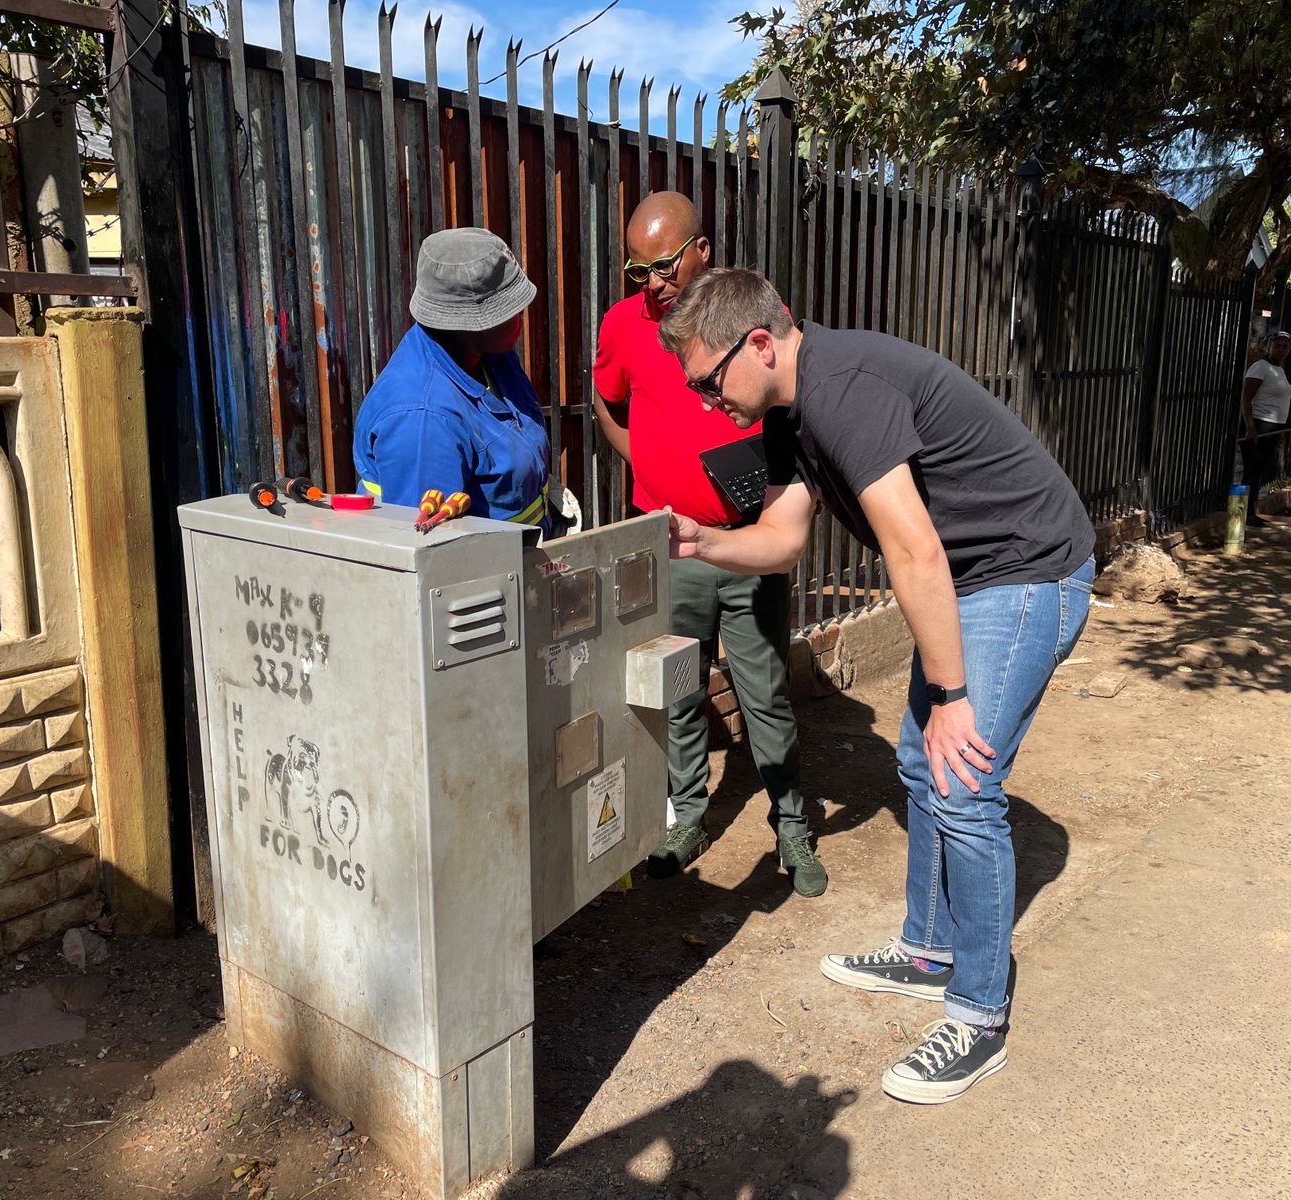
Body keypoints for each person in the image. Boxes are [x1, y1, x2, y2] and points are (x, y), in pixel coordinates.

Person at [657, 268, 1095, 1105]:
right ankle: (930, 951)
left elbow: (914, 551)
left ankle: (978, 1014)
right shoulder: (784, 409)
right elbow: (783, 538)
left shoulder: (845, 388)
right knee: (918, 759)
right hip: (974, 577)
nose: (710, 403)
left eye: (710, 383)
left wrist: (953, 695)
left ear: (759, 344)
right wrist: (704, 545)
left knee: (962, 776)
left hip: (1028, 567)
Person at [592, 193, 823, 896]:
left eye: (664, 264)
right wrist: (640, 455)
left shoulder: (746, 318)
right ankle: (686, 816)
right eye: (637, 269)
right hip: (674, 549)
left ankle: (792, 826)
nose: (653, 283)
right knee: (676, 690)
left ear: (703, 249)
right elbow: (604, 394)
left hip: (749, 544)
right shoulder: (623, 326)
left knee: (764, 691)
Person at [354, 227, 556, 536]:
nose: (520, 316)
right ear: (469, 325)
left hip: (522, 561)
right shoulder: (425, 419)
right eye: (510, 309)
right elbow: (431, 550)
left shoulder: (490, 357)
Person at [1240, 330, 1291, 528]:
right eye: (1278, 345)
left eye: (1285, 346)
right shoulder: (1260, 367)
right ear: (1268, 346)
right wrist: (1250, 427)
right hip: (1258, 425)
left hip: (1273, 427)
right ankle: (1245, 514)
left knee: (1260, 471)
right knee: (1252, 471)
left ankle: (1251, 511)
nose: (1281, 349)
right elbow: (1246, 398)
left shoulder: (1279, 369)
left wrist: (1280, 432)